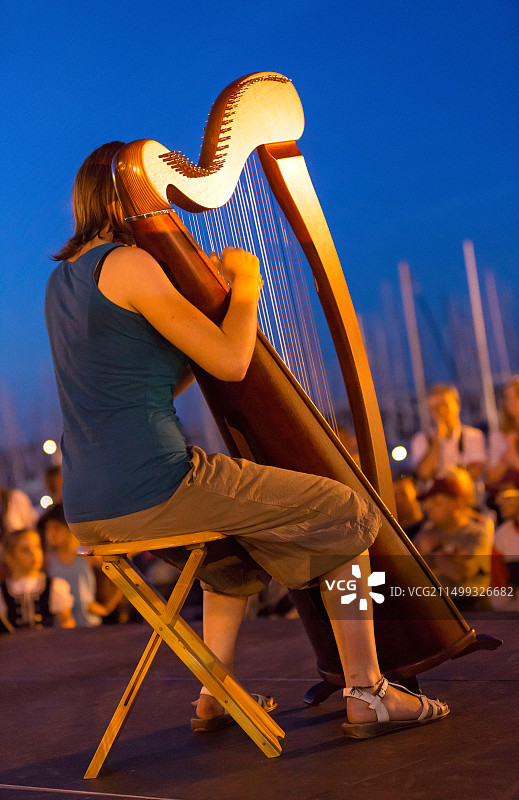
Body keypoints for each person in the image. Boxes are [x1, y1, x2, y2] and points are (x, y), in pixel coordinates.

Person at [44, 141, 448, 739]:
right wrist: (249, 285)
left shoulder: (61, 283)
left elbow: (158, 378)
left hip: (89, 506)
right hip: (155, 483)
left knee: (229, 565)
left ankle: (216, 694)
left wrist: (215, 320)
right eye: (160, 190)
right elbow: (232, 363)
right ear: (133, 197)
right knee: (344, 507)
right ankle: (369, 691)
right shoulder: (130, 265)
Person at [414, 469, 493, 611]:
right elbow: (411, 573)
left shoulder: (477, 532)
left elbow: (460, 574)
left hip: (471, 608)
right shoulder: (426, 532)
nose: (428, 507)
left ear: (457, 503)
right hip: (435, 606)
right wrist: (449, 561)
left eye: (436, 502)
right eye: (427, 502)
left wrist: (435, 550)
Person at [39, 503, 121, 626]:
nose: (51, 533)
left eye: (56, 528)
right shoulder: (47, 560)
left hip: (89, 624)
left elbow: (120, 576)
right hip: (61, 627)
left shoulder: (86, 556)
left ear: (69, 529)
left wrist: (106, 608)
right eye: (47, 529)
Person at [410, 384, 486, 487]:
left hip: (465, 497)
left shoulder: (473, 436)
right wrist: (437, 440)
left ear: (457, 406)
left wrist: (449, 483)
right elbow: (424, 473)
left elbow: (476, 470)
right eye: (435, 408)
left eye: (444, 405)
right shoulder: (420, 440)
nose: (440, 411)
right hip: (434, 497)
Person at [0, 528, 74, 631]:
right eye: (25, 550)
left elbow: (66, 621)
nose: (33, 554)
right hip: (15, 646)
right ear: (10, 557)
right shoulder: (3, 592)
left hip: (48, 645)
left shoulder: (53, 585)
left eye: (36, 547)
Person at [490, 469, 519, 610]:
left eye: (507, 494)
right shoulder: (503, 534)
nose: (499, 501)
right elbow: (497, 590)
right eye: (499, 494)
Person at [487, 376, 519, 486]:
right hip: (511, 490)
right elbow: (490, 478)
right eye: (508, 397)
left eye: (517, 396)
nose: (511, 402)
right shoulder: (499, 435)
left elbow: (518, 464)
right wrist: (507, 457)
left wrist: (515, 461)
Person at [392, 473, 425, 540]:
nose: (399, 500)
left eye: (403, 494)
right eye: (394, 496)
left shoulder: (427, 531)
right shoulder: (393, 536)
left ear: (417, 494)